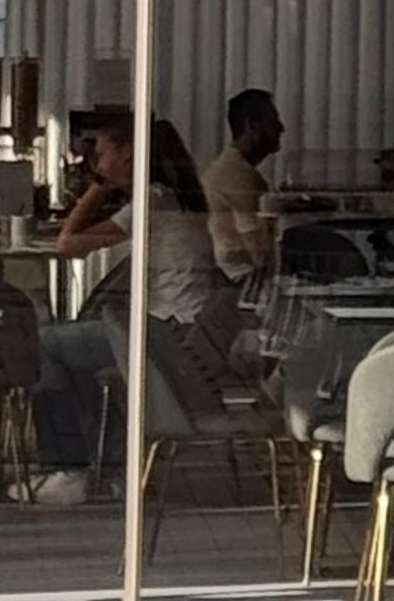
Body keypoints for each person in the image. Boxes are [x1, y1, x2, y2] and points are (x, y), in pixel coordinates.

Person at [27, 118, 237, 505]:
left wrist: (96, 188)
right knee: (78, 350)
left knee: (46, 346)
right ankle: (110, 465)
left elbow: (68, 244)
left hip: (167, 335)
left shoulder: (151, 200)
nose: (97, 160)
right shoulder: (171, 196)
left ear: (127, 152)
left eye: (102, 153)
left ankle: (69, 468)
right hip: (180, 327)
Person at [202, 88, 285, 279]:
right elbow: (258, 251)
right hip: (241, 278)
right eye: (273, 122)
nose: (281, 128)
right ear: (251, 126)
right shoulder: (238, 176)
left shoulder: (233, 169)